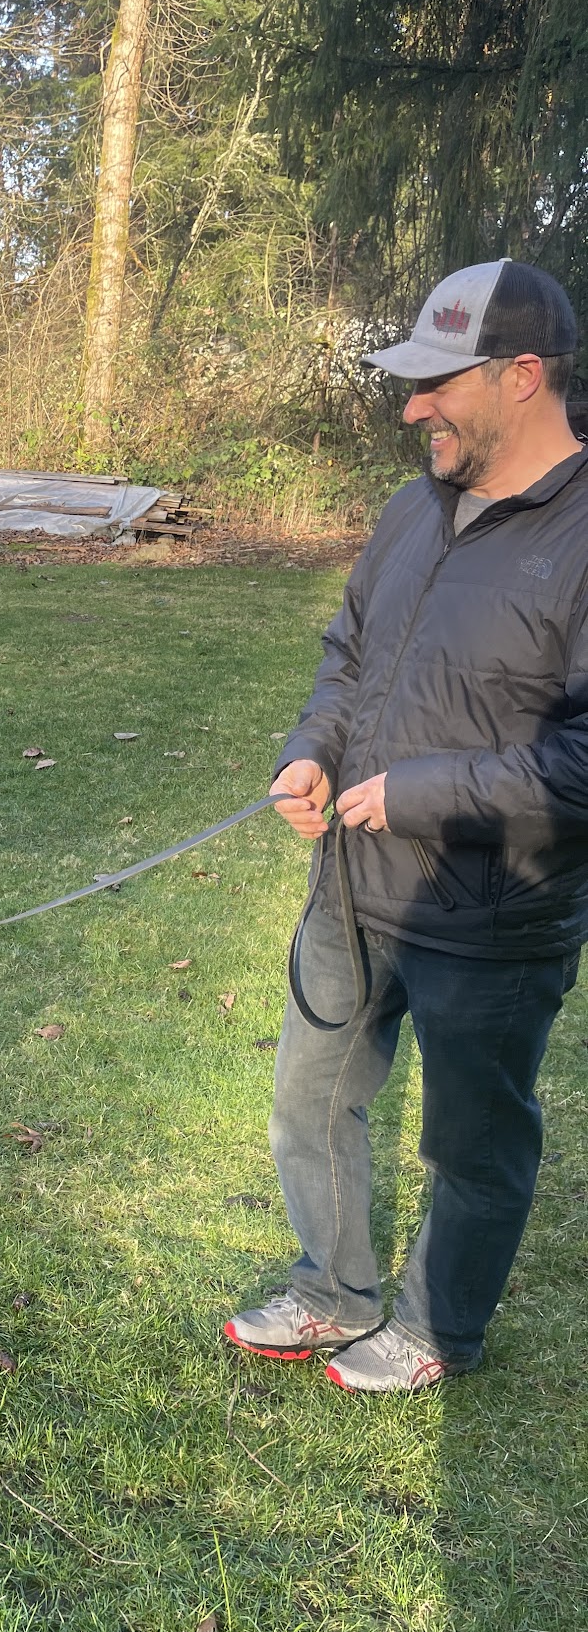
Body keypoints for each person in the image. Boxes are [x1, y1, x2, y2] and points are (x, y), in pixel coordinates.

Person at [224, 259, 588, 1390]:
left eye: (438, 382)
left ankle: (439, 1325)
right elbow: (350, 654)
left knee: (472, 1143)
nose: (411, 406)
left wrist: (424, 790)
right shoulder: (412, 506)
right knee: (308, 1099)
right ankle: (335, 1288)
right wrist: (311, 749)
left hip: (492, 914)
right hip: (352, 883)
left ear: (522, 376)